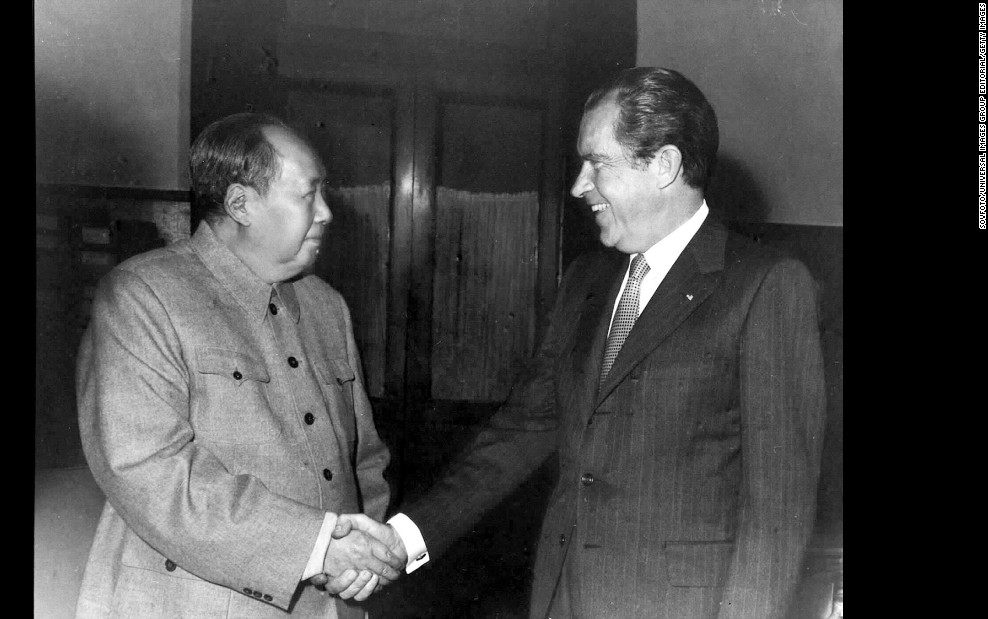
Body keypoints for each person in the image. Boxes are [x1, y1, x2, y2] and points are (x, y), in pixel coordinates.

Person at [334, 67, 827, 618]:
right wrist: (403, 538)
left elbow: (778, 510)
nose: (578, 186)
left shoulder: (764, 285)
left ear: (663, 165)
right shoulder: (587, 282)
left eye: (598, 163)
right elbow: (523, 430)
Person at [74, 112, 410, 618]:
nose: (326, 213)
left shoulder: (327, 307)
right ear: (240, 204)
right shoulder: (142, 297)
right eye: (308, 194)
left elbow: (364, 463)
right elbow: (149, 472)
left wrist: (362, 561)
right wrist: (318, 548)